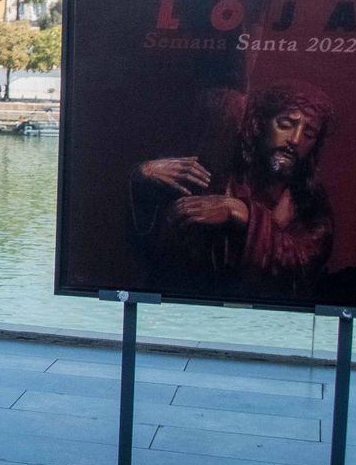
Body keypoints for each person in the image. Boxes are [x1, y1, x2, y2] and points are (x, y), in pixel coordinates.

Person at [131, 81, 335, 301]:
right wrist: (143, 177)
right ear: (261, 124)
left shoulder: (309, 202)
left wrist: (244, 214)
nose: (295, 140)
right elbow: (154, 246)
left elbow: (302, 266)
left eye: (309, 133)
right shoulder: (214, 173)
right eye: (285, 124)